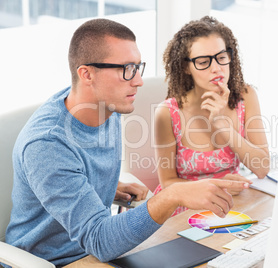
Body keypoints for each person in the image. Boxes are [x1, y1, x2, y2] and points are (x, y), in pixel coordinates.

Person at [4, 18, 249, 267]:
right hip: (58, 261)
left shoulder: (107, 107)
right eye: (126, 69)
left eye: (137, 67)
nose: (138, 81)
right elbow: (100, 240)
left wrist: (97, 186)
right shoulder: (47, 144)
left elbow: (70, 170)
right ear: (86, 74)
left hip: (99, 254)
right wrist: (172, 195)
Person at [153, 16, 270, 216]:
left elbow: (262, 168)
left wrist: (222, 124)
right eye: (203, 62)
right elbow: (168, 183)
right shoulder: (167, 113)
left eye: (221, 57)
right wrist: (220, 187)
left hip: (231, 206)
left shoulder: (246, 96)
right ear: (185, 67)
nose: (216, 68)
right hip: (184, 210)